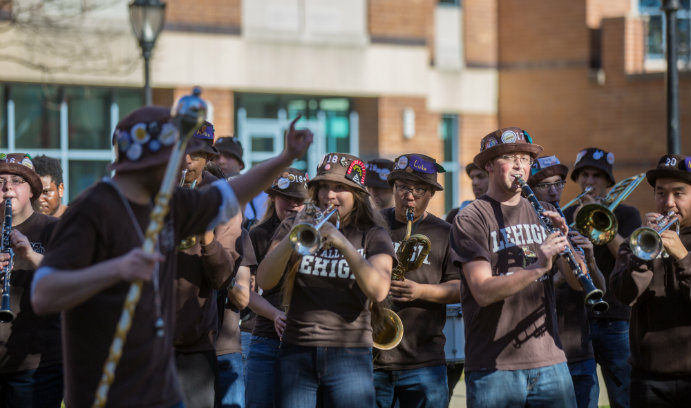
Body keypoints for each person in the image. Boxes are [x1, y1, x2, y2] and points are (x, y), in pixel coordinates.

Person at [30, 105, 312, 408]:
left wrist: (285, 157)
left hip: (161, 382)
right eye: (177, 153)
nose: (185, 162)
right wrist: (117, 269)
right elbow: (44, 294)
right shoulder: (92, 209)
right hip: (106, 385)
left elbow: (232, 193)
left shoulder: (171, 202)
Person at [450, 127, 581, 407]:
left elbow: (578, 282)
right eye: (510, 157)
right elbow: (482, 290)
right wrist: (539, 266)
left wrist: (566, 242)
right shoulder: (471, 217)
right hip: (494, 365)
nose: (520, 165)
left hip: (550, 360)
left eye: (525, 158)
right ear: (488, 165)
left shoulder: (544, 210)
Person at [257, 153, 395, 408]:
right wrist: (294, 234)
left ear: (357, 194)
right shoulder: (292, 226)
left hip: (350, 353)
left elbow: (378, 290)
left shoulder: (373, 234)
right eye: (323, 187)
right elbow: (264, 281)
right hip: (297, 350)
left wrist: (342, 242)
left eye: (340, 187)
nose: (329, 195)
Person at [373, 153, 461, 408]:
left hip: (424, 359)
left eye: (419, 189)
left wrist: (419, 291)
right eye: (402, 187)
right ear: (393, 188)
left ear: (431, 194)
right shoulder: (372, 225)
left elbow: (460, 289)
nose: (409, 196)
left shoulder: (445, 232)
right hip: (374, 357)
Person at [174, 121, 248, 408]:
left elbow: (223, 276)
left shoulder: (223, 198)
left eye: (195, 153)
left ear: (209, 158)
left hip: (194, 339)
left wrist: (206, 239)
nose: (187, 160)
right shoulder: (151, 191)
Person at [611, 154, 691, 408]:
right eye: (661, 193)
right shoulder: (637, 241)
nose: (668, 203)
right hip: (648, 378)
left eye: (679, 193)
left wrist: (683, 257)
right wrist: (641, 254)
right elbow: (625, 295)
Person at [563, 147, 641, 408]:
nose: (589, 181)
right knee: (582, 398)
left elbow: (627, 256)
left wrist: (601, 223)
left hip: (615, 320)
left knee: (623, 396)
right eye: (584, 174)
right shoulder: (565, 216)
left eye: (597, 176)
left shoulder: (626, 214)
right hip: (577, 321)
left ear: (608, 181)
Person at [529, 155, 606, 408]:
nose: (554, 191)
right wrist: (561, 278)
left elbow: (600, 291)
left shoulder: (573, 226)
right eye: (544, 185)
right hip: (544, 354)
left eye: (559, 183)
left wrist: (591, 261)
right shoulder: (525, 231)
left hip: (580, 350)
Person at [0, 153, 62, 407]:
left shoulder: (52, 229)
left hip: (36, 368)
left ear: (33, 190)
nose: (7, 189)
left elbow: (73, 280)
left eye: (17, 181)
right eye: (1, 181)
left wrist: (32, 256)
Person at [245, 167, 308, 408]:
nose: (293, 204)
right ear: (273, 197)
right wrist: (275, 315)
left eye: (299, 199)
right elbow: (245, 292)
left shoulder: (318, 231)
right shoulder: (258, 234)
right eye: (286, 197)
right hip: (266, 339)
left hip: (305, 340)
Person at [214, 136, 268, 229]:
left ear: (240, 164)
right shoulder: (205, 187)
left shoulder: (258, 191)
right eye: (216, 157)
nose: (221, 161)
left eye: (228, 156)